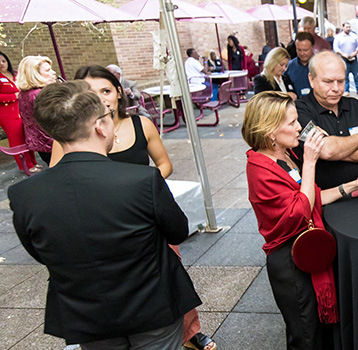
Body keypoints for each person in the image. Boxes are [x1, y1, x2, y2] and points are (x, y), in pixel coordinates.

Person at [9, 80, 201, 348]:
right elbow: (178, 231)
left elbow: (40, 251)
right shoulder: (142, 180)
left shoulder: (24, 193)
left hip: (86, 314)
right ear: (100, 126)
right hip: (153, 304)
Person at [59, 66, 213, 350]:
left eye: (105, 90)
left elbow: (164, 164)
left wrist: (143, 190)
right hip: (99, 225)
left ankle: (190, 332)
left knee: (172, 277)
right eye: (90, 92)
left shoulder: (141, 125)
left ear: (118, 92)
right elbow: (60, 179)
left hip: (146, 216)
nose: (100, 98)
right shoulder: (71, 137)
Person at [243, 91, 358, 350]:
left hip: (306, 248)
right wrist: (310, 161)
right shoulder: (260, 169)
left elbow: (312, 195)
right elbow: (301, 209)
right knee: (306, 335)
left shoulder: (283, 155)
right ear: (271, 131)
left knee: (319, 330)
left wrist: (352, 185)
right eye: (292, 123)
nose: (300, 128)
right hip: (290, 260)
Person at [295, 51, 358, 189]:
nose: (336, 88)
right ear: (311, 80)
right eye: (328, 82)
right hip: (322, 198)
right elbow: (327, 150)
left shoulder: (354, 106)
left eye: (341, 81)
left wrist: (335, 151)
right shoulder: (300, 110)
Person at [0, 51, 38, 173]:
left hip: (22, 110)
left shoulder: (16, 74)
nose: (1, 64)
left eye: (3, 60)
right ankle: (26, 166)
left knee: (27, 136)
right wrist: (13, 96)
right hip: (7, 114)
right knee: (17, 140)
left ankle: (34, 163)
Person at [16, 55, 57, 165]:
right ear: (35, 74)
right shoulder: (40, 94)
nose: (53, 73)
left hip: (40, 144)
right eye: (48, 70)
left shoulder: (24, 93)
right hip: (52, 143)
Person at [333, 22, 358, 96]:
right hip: (344, 58)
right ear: (343, 27)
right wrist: (343, 54)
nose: (348, 28)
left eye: (349, 27)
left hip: (353, 58)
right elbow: (336, 48)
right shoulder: (339, 37)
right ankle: (346, 90)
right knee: (345, 75)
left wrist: (355, 52)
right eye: (346, 27)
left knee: (356, 75)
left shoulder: (354, 36)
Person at [286, 32, 316, 97]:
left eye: (305, 50)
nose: (302, 53)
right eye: (299, 50)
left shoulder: (322, 65)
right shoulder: (289, 66)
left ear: (313, 48)